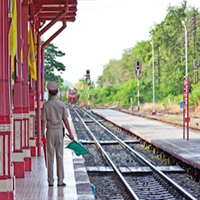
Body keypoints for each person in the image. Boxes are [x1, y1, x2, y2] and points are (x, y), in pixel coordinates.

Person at [41, 81, 74, 187]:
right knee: (59, 156)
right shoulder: (61, 104)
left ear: (49, 92)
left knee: (50, 156)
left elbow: (43, 121)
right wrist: (71, 134)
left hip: (50, 132)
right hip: (59, 132)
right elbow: (66, 120)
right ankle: (60, 181)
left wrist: (42, 134)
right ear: (57, 92)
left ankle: (50, 181)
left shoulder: (46, 105)